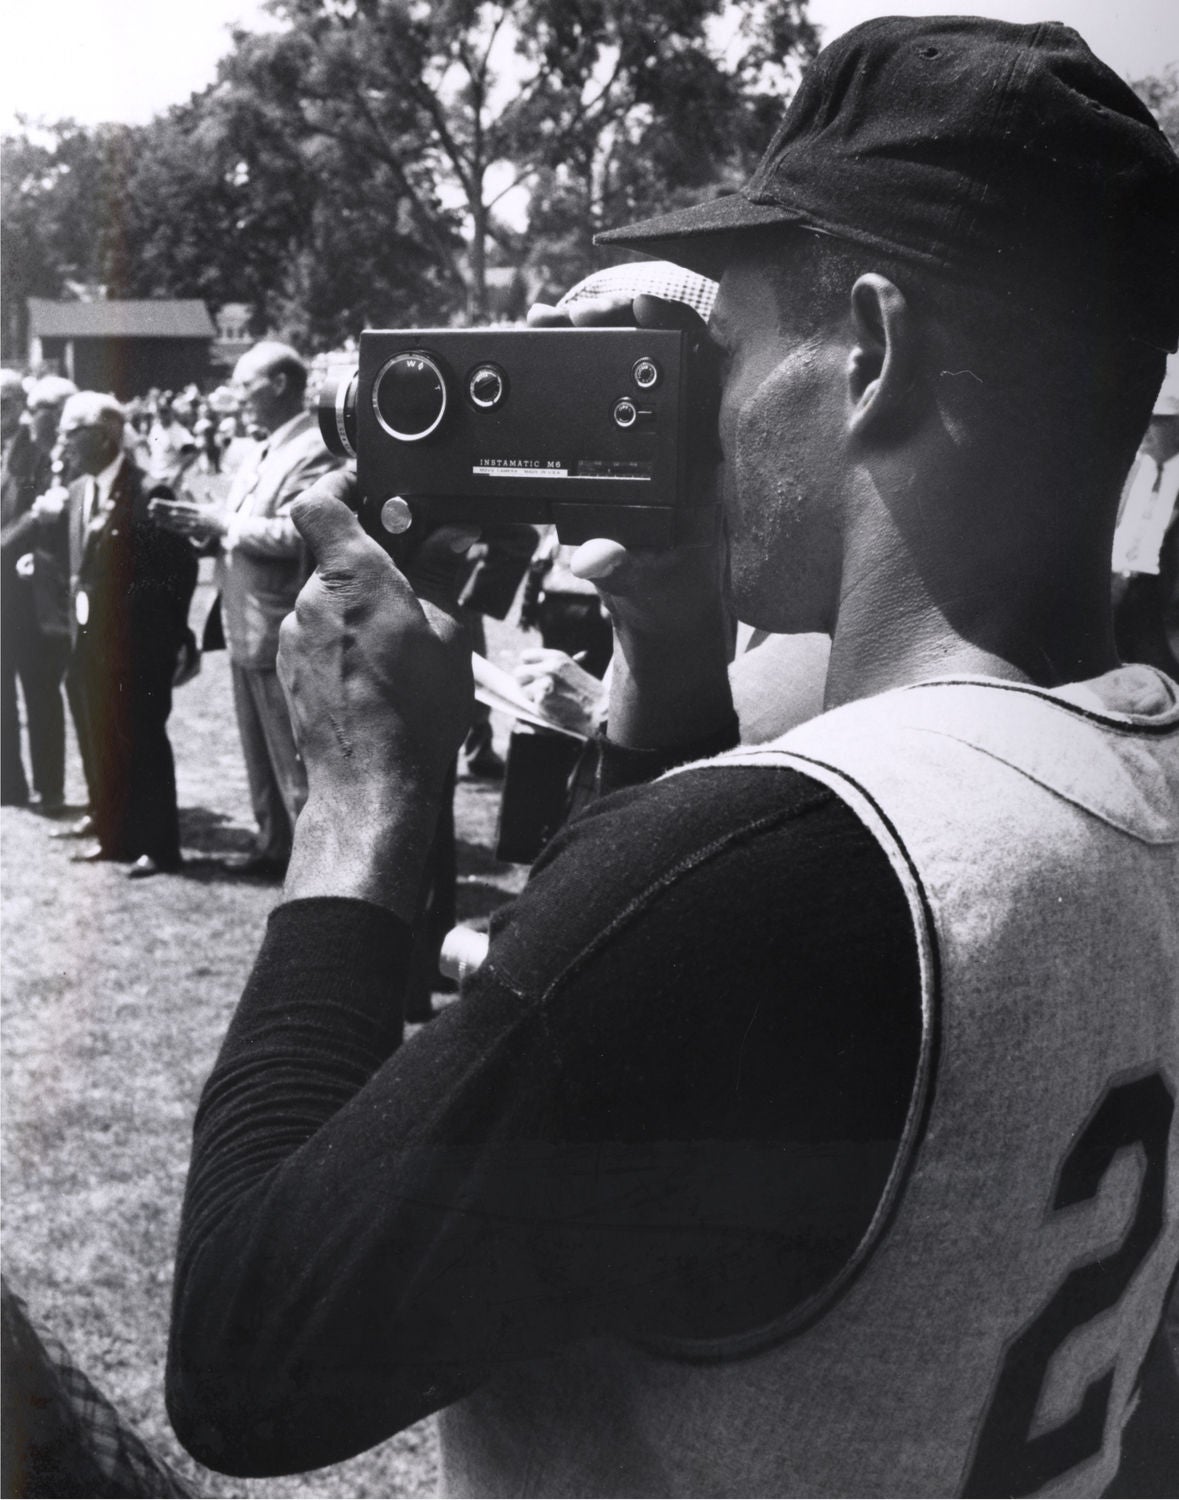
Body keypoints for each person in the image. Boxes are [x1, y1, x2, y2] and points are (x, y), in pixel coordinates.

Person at [167, 18, 1179, 1498]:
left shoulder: (776, 878)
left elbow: (244, 1352)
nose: (700, 404)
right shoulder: (1125, 787)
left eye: (730, 346)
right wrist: (667, 647)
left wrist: (364, 802)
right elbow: (692, 1124)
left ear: (873, 355)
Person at [151, 342, 342, 876]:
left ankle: (315, 869)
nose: (236, 398)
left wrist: (221, 524)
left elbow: (297, 532)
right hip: (245, 621)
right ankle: (273, 845)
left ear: (280, 384)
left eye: (245, 385)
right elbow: (238, 526)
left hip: (280, 624)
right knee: (259, 751)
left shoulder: (313, 450)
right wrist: (203, 529)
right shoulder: (262, 448)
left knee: (292, 757)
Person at [47, 393, 197, 878]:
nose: (63, 441)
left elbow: (180, 570)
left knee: (143, 740)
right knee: (99, 738)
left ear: (106, 435)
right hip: (88, 642)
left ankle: (159, 845)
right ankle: (113, 835)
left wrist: (173, 637)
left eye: (72, 431)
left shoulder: (150, 492)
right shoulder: (78, 490)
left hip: (140, 645)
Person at [1, 374, 76, 812]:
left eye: (2, 403)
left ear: (17, 405)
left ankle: (50, 788)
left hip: (29, 593)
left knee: (39, 691)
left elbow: (43, 511)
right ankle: (9, 784)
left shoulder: (41, 455)